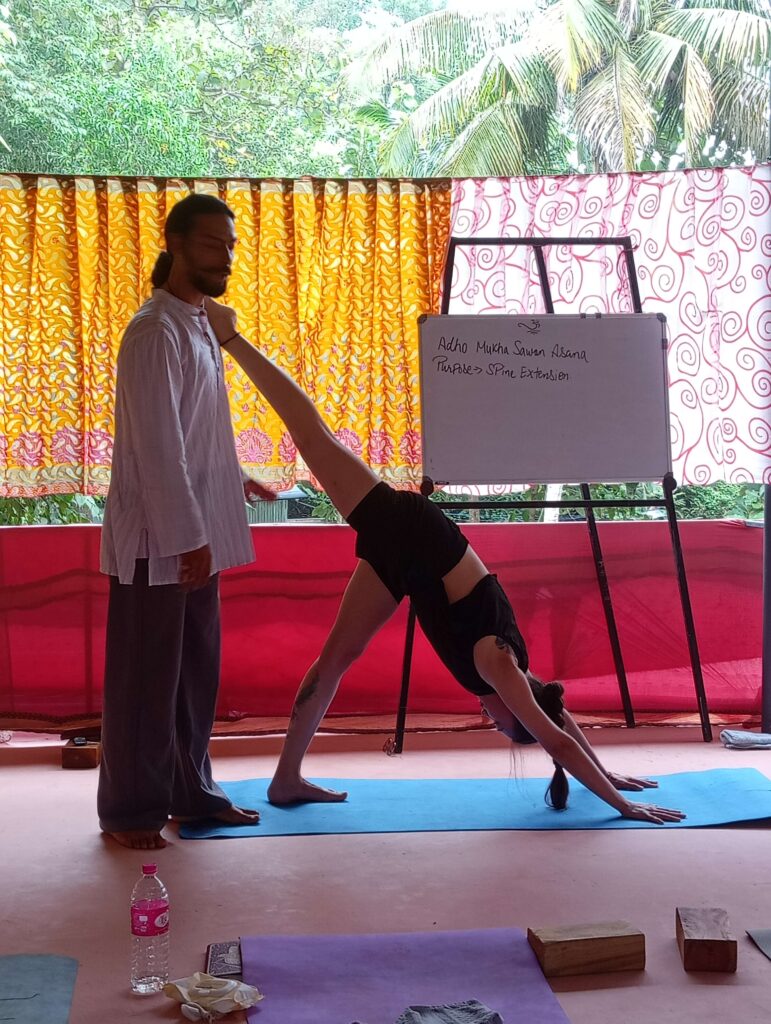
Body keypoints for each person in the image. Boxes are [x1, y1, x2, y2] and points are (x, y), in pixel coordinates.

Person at [204, 296, 686, 827]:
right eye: (503, 726)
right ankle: (229, 335)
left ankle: (286, 778)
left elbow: (556, 715)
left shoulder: (520, 681)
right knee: (311, 436)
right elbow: (556, 739)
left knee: (336, 658)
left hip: (411, 569)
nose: (493, 721)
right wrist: (623, 806)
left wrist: (608, 773)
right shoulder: (497, 665)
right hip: (410, 530)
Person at [98, 194, 273, 850]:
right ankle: (130, 813)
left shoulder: (199, 324)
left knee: (193, 675)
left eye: (230, 244)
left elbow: (196, 432)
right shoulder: (154, 330)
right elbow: (157, 444)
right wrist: (188, 535)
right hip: (159, 541)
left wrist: (232, 479)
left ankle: (189, 793)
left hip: (195, 536)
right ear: (172, 243)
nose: (224, 255)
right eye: (209, 243)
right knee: (147, 678)